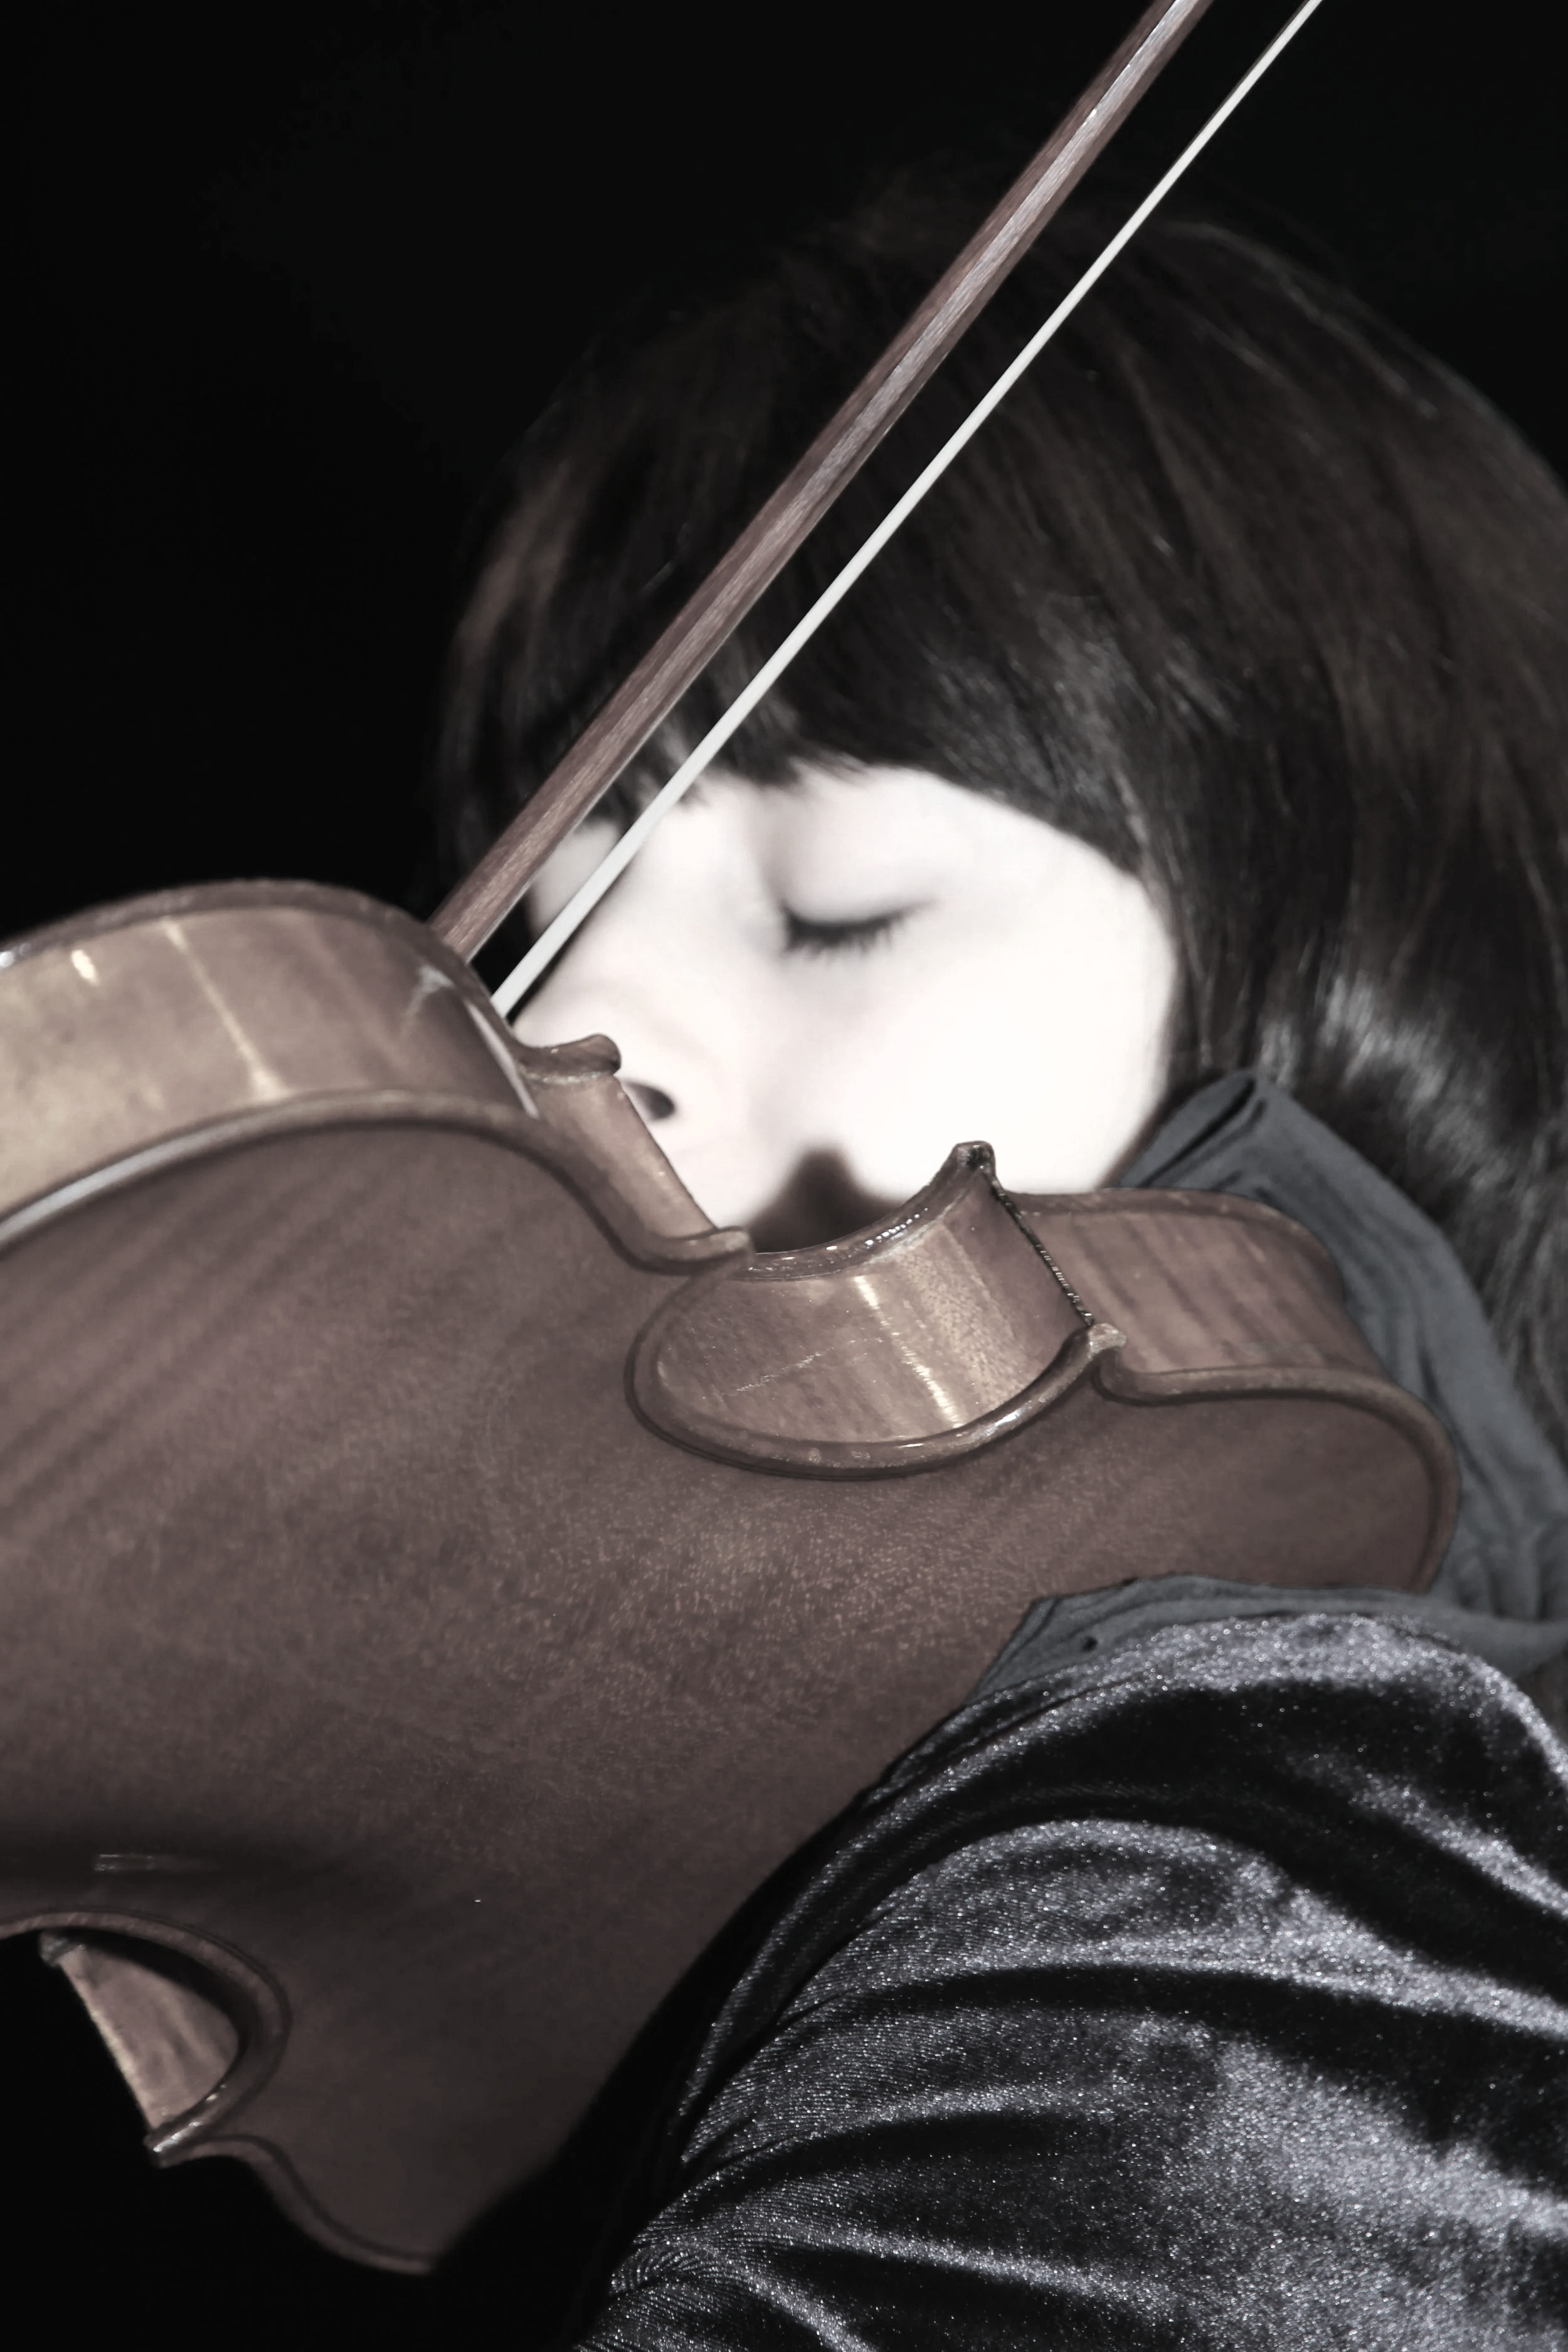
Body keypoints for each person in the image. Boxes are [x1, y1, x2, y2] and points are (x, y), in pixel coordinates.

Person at [435, 172, 1568, 2344]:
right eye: (534, 924)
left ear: (1330, 961)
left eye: (834, 897)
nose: (562, 1038)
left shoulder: (1264, 1851)